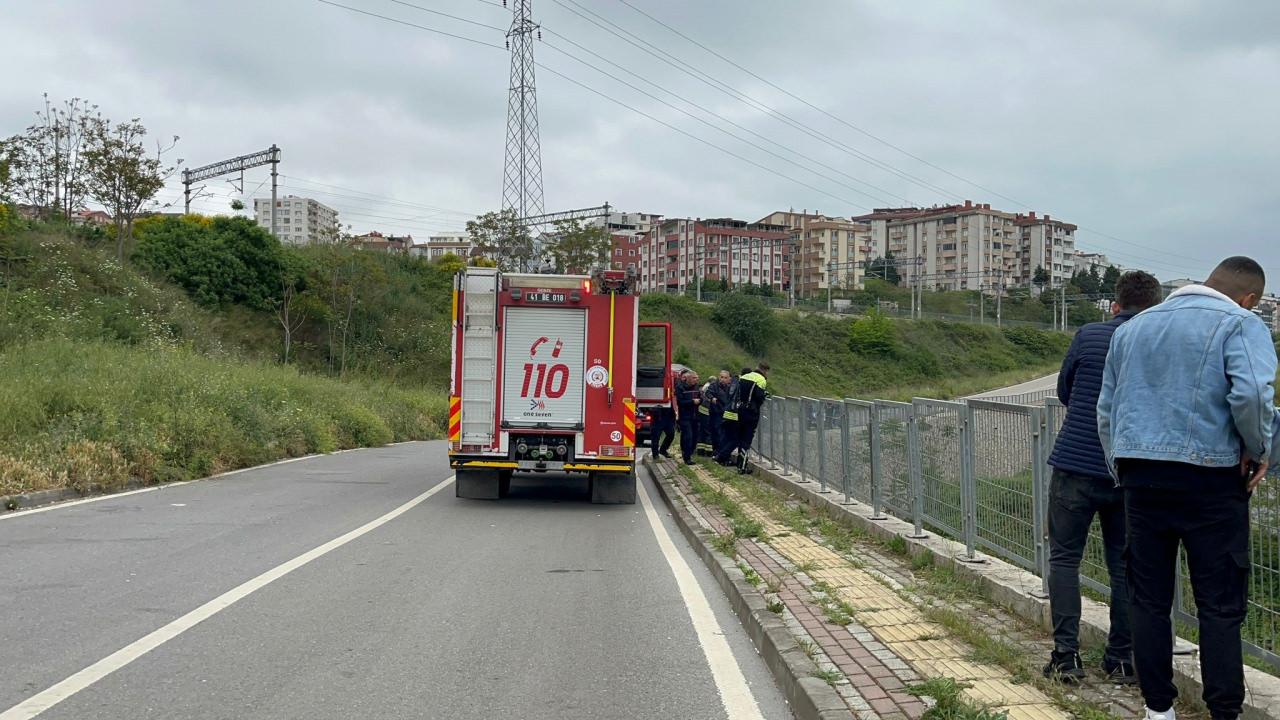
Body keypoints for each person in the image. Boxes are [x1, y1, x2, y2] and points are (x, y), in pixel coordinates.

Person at [1098, 257, 1278, 720]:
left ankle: (1158, 710)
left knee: (1149, 599)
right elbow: (1252, 395)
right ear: (1250, 297)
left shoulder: (1133, 328)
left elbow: (1107, 410)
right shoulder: (1241, 323)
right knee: (1219, 604)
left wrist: (1123, 470)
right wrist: (1259, 450)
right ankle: (1223, 712)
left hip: (1141, 477)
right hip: (1211, 478)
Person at [1042, 270, 1161, 684]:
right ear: (1156, 306)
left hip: (1075, 465)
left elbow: (1065, 390)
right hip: (1129, 472)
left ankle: (1067, 657)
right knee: (1123, 566)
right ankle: (1122, 659)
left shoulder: (1089, 334)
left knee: (1064, 559)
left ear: (1115, 305)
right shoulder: (1158, 342)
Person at [730, 362, 769, 474]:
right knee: (747, 439)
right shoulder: (761, 379)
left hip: (740, 408)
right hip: (751, 411)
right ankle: (742, 466)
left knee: (741, 436)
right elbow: (759, 396)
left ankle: (739, 463)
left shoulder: (745, 376)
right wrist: (764, 395)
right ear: (765, 370)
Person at [702, 370, 734, 458]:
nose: (723, 379)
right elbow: (708, 393)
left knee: (724, 433)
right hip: (716, 412)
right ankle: (717, 451)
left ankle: (722, 453)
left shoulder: (731, 387)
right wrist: (712, 398)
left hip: (726, 413)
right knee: (716, 432)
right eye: (721, 377)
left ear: (729, 379)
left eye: (725, 378)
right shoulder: (714, 385)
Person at [674, 369, 702, 465]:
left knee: (694, 437)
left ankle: (688, 451)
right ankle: (687, 457)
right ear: (688, 378)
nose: (696, 380)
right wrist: (692, 402)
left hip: (695, 416)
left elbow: (701, 398)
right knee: (688, 436)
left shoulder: (697, 387)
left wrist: (699, 401)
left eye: (697, 378)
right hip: (685, 416)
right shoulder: (680, 387)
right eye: (694, 378)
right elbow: (680, 402)